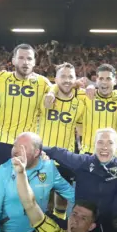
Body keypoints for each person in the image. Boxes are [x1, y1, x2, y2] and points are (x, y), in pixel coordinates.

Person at [0, 132, 74, 232]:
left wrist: (74, 217)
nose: (16, 151)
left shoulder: (48, 168)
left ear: (37, 152)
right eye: (14, 146)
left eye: (23, 147)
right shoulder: (3, 171)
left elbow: (69, 192)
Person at [0, 44, 55, 175]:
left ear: (34, 62)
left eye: (29, 58)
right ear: (13, 60)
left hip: (27, 145)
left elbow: (57, 87)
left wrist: (52, 92)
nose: (25, 62)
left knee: (24, 187)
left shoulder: (42, 82)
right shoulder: (1, 77)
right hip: (2, 142)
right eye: (21, 58)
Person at [35, 63, 86, 218]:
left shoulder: (79, 105)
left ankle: (59, 227)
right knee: (42, 197)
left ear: (75, 79)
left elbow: (80, 130)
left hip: (65, 157)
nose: (67, 80)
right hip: (42, 156)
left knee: (62, 200)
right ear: (55, 78)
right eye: (63, 76)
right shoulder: (45, 98)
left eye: (71, 76)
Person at [78, 63, 117, 155]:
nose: (104, 82)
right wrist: (87, 85)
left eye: (108, 79)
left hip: (112, 153)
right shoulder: (85, 95)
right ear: (96, 81)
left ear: (115, 81)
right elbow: (65, 86)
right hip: (88, 152)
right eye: (101, 79)